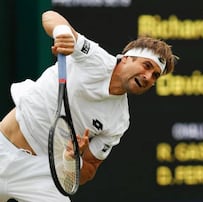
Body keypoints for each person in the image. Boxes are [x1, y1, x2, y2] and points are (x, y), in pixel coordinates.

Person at [0, 10, 177, 201]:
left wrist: (73, 160)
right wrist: (62, 33)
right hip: (4, 146)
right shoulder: (94, 57)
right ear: (126, 58)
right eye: (147, 66)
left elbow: (88, 170)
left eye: (155, 76)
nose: (148, 77)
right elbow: (49, 16)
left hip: (41, 176)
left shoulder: (119, 121)